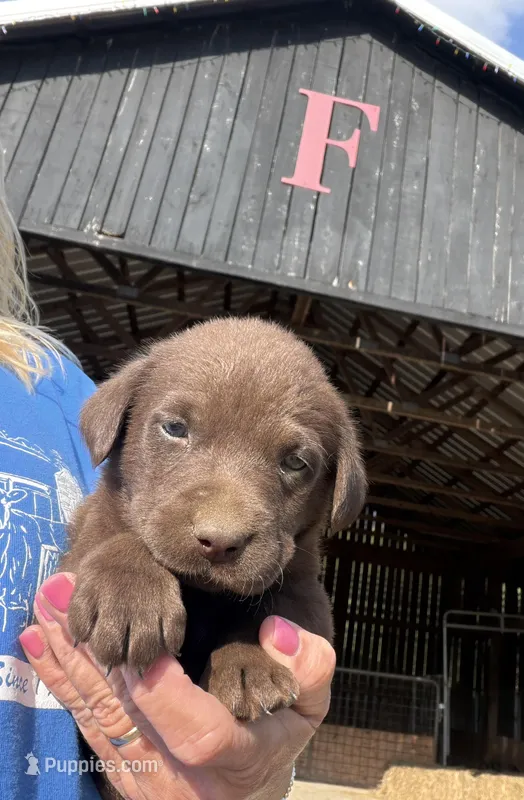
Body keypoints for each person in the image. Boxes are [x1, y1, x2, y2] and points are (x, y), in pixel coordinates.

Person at [0, 158, 336, 799]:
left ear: (332, 493)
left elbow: (301, 619)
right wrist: (123, 556)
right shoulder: (106, 451)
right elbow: (97, 527)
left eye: (293, 463)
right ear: (116, 428)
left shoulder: (50, 388)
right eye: (175, 430)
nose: (223, 522)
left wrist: (257, 771)